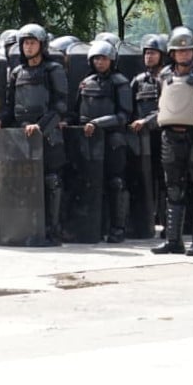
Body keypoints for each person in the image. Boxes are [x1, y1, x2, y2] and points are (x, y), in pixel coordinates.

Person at [0, 23, 69, 245]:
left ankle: (52, 232)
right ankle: (28, 230)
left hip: (48, 135)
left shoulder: (54, 70)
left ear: (41, 45)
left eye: (32, 42)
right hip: (21, 137)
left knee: (51, 181)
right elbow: (9, 106)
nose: (28, 46)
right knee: (25, 184)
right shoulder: (16, 72)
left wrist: (41, 126)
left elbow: (61, 106)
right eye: (25, 43)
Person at [150, 27, 193, 255]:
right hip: (170, 136)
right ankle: (173, 240)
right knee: (173, 189)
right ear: (172, 53)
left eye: (187, 51)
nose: (184, 55)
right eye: (179, 51)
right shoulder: (164, 75)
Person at [70, 40, 133, 243]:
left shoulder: (120, 82)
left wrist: (98, 123)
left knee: (115, 183)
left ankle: (118, 227)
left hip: (113, 139)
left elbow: (125, 115)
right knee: (88, 182)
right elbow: (76, 110)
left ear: (112, 60)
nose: (100, 62)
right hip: (88, 140)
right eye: (96, 58)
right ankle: (93, 226)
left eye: (103, 58)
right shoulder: (86, 82)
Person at [130, 33, 167, 238]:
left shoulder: (168, 79)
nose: (149, 57)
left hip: (163, 136)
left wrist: (148, 121)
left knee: (164, 181)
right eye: (146, 53)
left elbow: (169, 109)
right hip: (141, 140)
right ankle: (145, 223)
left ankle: (166, 224)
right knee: (144, 180)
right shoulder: (138, 81)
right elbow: (130, 109)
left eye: (153, 53)